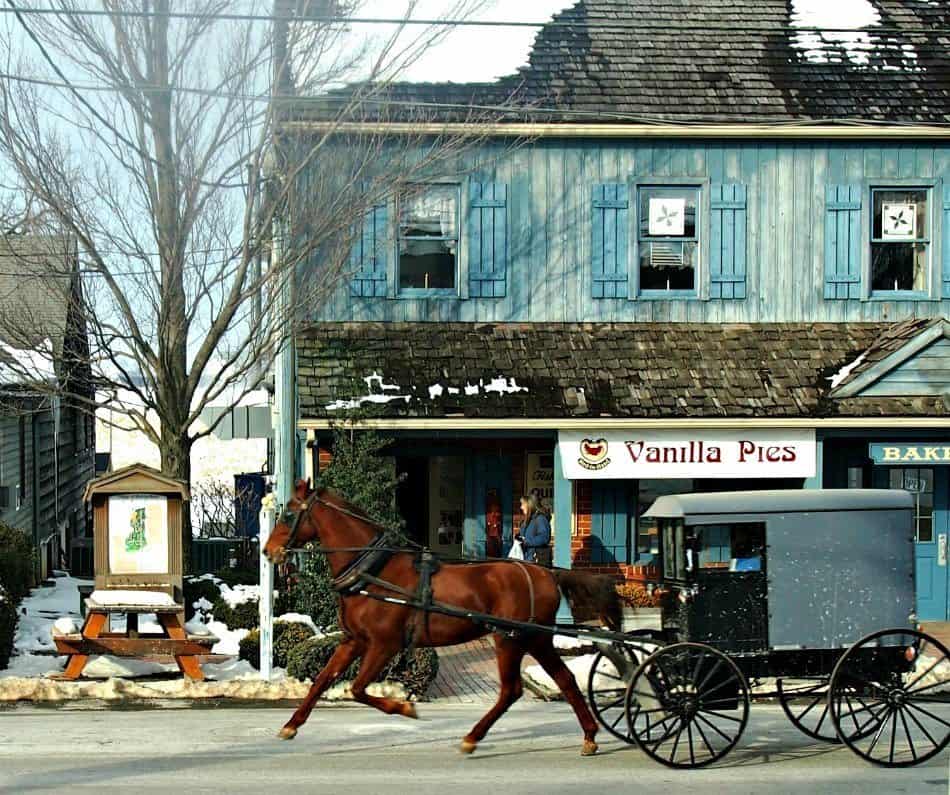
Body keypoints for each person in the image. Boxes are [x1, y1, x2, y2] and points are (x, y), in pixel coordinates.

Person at [516, 494, 552, 567]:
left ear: (529, 505)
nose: (521, 507)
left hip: (536, 561)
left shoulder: (540, 519)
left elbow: (544, 538)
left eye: (523, 504)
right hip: (526, 559)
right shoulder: (527, 520)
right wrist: (518, 537)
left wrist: (526, 541)